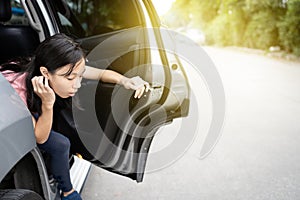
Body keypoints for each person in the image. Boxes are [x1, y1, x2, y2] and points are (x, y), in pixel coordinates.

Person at [0, 33, 150, 200]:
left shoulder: (57, 67)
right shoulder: (16, 93)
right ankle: (68, 192)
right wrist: (47, 104)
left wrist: (125, 81)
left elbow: (99, 74)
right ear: (45, 73)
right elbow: (40, 138)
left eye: (80, 75)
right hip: (9, 114)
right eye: (70, 78)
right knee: (60, 144)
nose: (77, 84)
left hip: (32, 101)